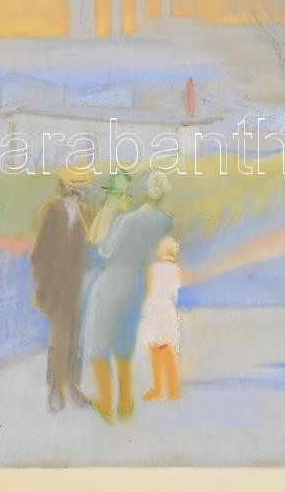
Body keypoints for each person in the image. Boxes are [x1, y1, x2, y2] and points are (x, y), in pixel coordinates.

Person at [85, 171, 173, 422]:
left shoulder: (127, 219)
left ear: (144, 191)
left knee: (98, 340)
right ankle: (125, 401)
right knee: (124, 341)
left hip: (112, 280)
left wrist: (111, 211)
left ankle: (105, 402)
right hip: (136, 282)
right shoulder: (165, 221)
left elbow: (104, 250)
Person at [29, 164, 94, 412]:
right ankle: (56, 387)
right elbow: (39, 250)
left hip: (78, 284)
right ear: (65, 186)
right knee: (59, 336)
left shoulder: (86, 212)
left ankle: (73, 383)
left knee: (76, 335)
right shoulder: (52, 210)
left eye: (82, 186)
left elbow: (88, 248)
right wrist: (43, 283)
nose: (78, 191)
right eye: (74, 185)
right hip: (56, 285)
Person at [140, 236, 183, 402]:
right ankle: (173, 390)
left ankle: (158, 388)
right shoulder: (177, 270)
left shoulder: (152, 268)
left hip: (153, 309)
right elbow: (175, 293)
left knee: (154, 349)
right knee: (168, 349)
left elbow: (147, 290)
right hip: (167, 310)